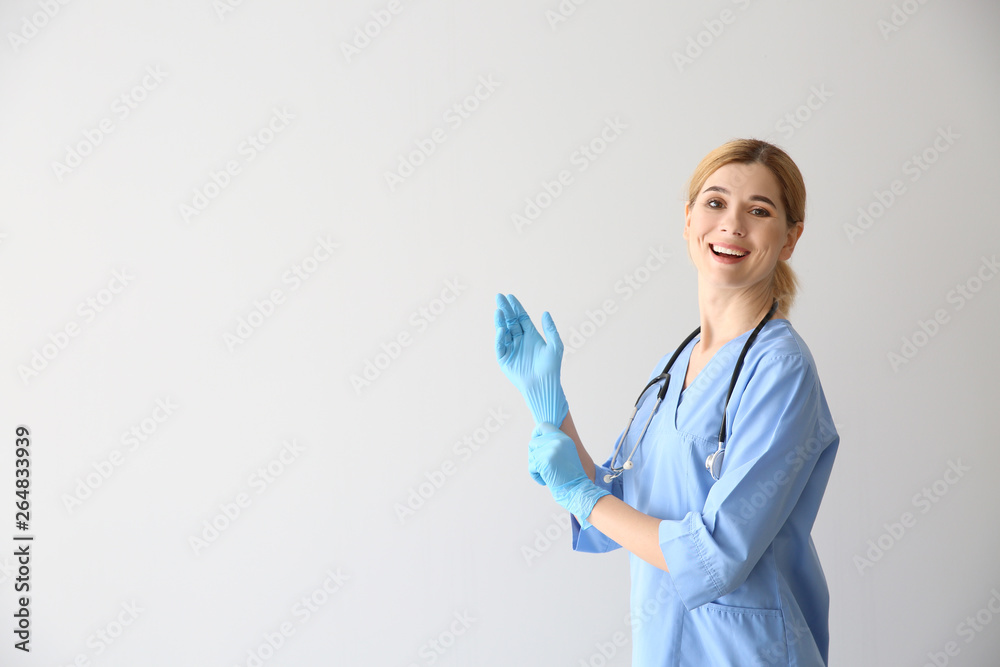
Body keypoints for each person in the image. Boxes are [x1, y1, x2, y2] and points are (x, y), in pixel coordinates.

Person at [494, 138, 839, 666]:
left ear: (791, 238)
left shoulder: (780, 369)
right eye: (716, 203)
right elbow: (623, 503)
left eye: (759, 211)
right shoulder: (673, 366)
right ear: (688, 219)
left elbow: (714, 556)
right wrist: (549, 407)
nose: (732, 225)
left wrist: (583, 498)